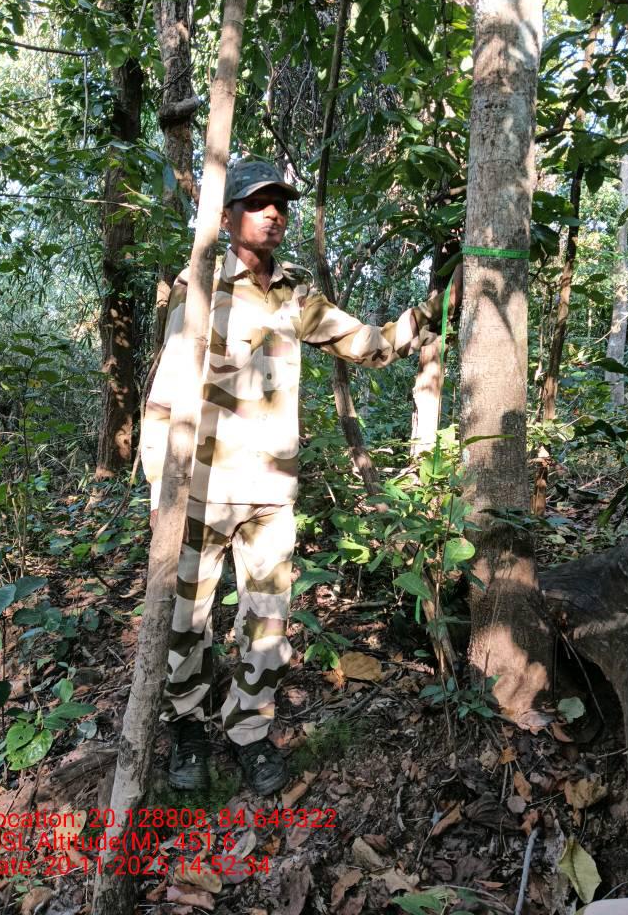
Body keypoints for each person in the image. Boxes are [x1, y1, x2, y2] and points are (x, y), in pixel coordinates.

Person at [141, 158, 461, 795]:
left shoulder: (295, 294)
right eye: (259, 204)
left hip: (269, 493)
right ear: (227, 217)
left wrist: (432, 308)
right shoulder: (198, 288)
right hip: (201, 489)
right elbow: (164, 398)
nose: (274, 214)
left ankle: (248, 731)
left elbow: (370, 344)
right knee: (186, 620)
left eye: (281, 204)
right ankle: (188, 728)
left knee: (267, 622)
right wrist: (161, 492)